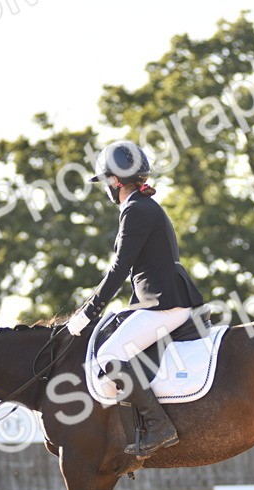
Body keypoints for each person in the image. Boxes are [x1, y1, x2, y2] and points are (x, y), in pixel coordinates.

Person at [66, 140, 206, 458]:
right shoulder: (143, 207)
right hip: (162, 299)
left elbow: (119, 268)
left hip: (164, 303)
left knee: (108, 356)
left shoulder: (135, 210)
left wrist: (89, 311)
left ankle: (159, 426)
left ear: (115, 181)